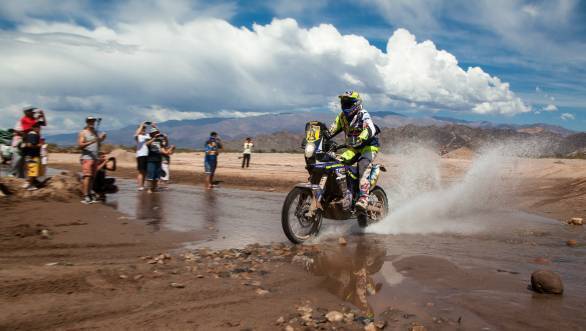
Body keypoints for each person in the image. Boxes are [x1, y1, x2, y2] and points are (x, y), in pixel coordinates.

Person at [328, 91, 380, 211]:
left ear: (356, 104)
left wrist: (361, 138)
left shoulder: (363, 114)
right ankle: (345, 193)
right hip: (353, 148)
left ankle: (363, 197)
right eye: (343, 103)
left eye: (348, 103)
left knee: (362, 165)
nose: (345, 106)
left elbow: (370, 128)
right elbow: (331, 130)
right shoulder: (342, 117)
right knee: (336, 162)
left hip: (369, 147)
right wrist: (321, 137)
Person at [78, 116, 106, 204]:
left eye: (93, 121)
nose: (92, 123)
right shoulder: (83, 132)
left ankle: (90, 194)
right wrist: (91, 141)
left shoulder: (95, 132)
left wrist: (102, 138)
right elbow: (80, 145)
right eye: (90, 121)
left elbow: (98, 142)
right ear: (87, 122)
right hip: (87, 158)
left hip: (95, 158)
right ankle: (85, 196)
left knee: (92, 177)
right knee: (87, 176)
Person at [21, 122, 42, 190]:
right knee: (33, 171)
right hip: (33, 155)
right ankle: (29, 185)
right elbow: (30, 145)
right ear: (35, 128)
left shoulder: (28, 135)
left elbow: (27, 144)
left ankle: (28, 183)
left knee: (30, 170)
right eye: (38, 128)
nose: (39, 129)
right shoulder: (34, 135)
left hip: (28, 155)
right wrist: (38, 145)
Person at [145, 127, 164, 193]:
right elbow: (146, 144)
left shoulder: (160, 140)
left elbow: (164, 145)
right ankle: (149, 189)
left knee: (156, 175)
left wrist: (166, 138)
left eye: (156, 132)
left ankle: (154, 188)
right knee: (150, 175)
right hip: (150, 160)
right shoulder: (148, 139)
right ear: (151, 134)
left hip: (158, 159)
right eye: (154, 133)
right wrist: (154, 138)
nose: (156, 133)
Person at [134, 121, 151, 191]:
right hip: (141, 155)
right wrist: (142, 124)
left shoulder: (146, 135)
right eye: (142, 129)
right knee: (141, 171)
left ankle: (142, 186)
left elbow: (148, 142)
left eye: (144, 129)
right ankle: (140, 186)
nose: (144, 130)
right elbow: (136, 133)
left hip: (146, 155)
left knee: (145, 171)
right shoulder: (138, 136)